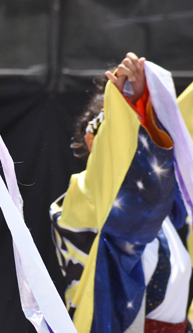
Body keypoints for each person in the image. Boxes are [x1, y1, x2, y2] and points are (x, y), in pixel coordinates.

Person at [50, 52, 192, 333]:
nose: (138, 141)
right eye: (125, 128)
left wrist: (150, 107)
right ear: (92, 139)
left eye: (141, 129)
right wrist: (127, 101)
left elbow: (184, 138)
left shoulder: (170, 210)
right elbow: (110, 170)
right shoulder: (81, 202)